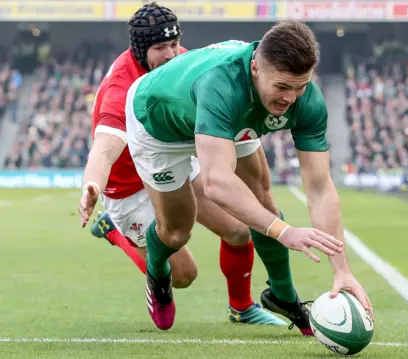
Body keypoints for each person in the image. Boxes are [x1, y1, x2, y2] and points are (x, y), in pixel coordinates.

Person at [124, 22, 374, 333]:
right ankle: (157, 271)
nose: (292, 99)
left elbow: (320, 188)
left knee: (264, 204)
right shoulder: (221, 86)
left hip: (230, 117)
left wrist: (342, 270)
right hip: (159, 125)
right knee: (176, 232)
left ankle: (282, 296)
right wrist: (284, 231)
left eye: (301, 86)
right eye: (282, 87)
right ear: (255, 68)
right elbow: (216, 182)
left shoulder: (304, 98)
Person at [77, 2, 284, 328]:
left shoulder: (181, 60)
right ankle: (115, 232)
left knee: (239, 228)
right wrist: (92, 183)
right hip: (129, 186)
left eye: (175, 44)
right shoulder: (121, 90)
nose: (173, 54)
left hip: (173, 161)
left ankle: (241, 308)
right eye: (161, 47)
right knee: (184, 275)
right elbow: (103, 150)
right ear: (141, 49)